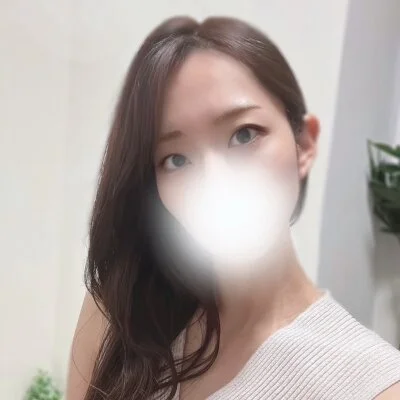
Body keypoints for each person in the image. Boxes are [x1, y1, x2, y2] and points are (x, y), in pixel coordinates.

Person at [66, 16, 400, 400]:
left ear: (304, 143)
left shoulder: (373, 385)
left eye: (244, 135)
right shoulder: (121, 311)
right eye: (176, 159)